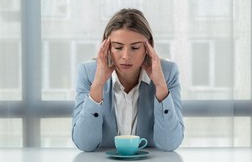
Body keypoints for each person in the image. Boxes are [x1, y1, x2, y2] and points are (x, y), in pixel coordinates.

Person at [72, 8, 184, 152]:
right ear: (107, 47)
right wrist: (98, 86)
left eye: (135, 48)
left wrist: (161, 86)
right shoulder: (88, 73)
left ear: (147, 47)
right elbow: (85, 144)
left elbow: (169, 144)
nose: (125, 56)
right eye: (118, 47)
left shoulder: (168, 73)